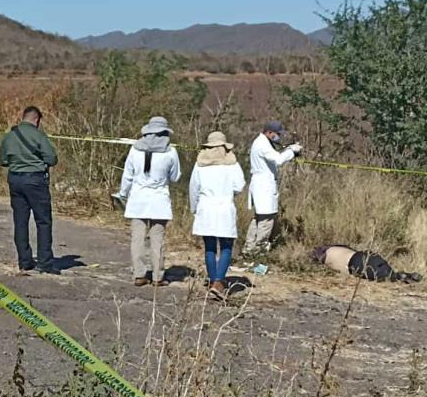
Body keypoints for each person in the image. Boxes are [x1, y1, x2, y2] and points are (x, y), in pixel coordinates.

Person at [115, 116, 181, 287]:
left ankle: (139, 274)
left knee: (137, 238)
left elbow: (127, 175)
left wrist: (123, 193)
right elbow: (175, 177)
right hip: (159, 200)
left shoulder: (134, 149)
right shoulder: (170, 152)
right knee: (157, 239)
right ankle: (158, 276)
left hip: (137, 199)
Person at [0, 106, 60, 275]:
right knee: (43, 221)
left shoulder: (9, 136)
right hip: (35, 181)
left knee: (20, 221)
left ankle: (24, 261)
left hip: (15, 180)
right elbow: (52, 158)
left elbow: (3, 160)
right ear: (36, 120)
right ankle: (45, 263)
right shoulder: (39, 135)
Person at [189, 131, 246, 299]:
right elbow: (239, 185)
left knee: (210, 247)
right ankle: (219, 281)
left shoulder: (200, 164)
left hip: (205, 207)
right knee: (226, 246)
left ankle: (213, 279)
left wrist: (194, 208)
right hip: (224, 207)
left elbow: (194, 189)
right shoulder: (232, 163)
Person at [243, 121, 302, 256]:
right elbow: (279, 160)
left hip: (262, 184)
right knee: (266, 219)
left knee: (258, 218)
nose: (279, 137)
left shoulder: (262, 142)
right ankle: (259, 249)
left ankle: (249, 247)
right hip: (263, 186)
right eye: (277, 134)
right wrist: (292, 151)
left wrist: (289, 150)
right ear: (269, 132)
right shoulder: (262, 144)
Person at [310, 245, 422, 283]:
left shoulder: (324, 256)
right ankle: (402, 275)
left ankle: (399, 276)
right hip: (363, 255)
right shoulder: (338, 247)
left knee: (383, 276)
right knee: (385, 271)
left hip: (354, 263)